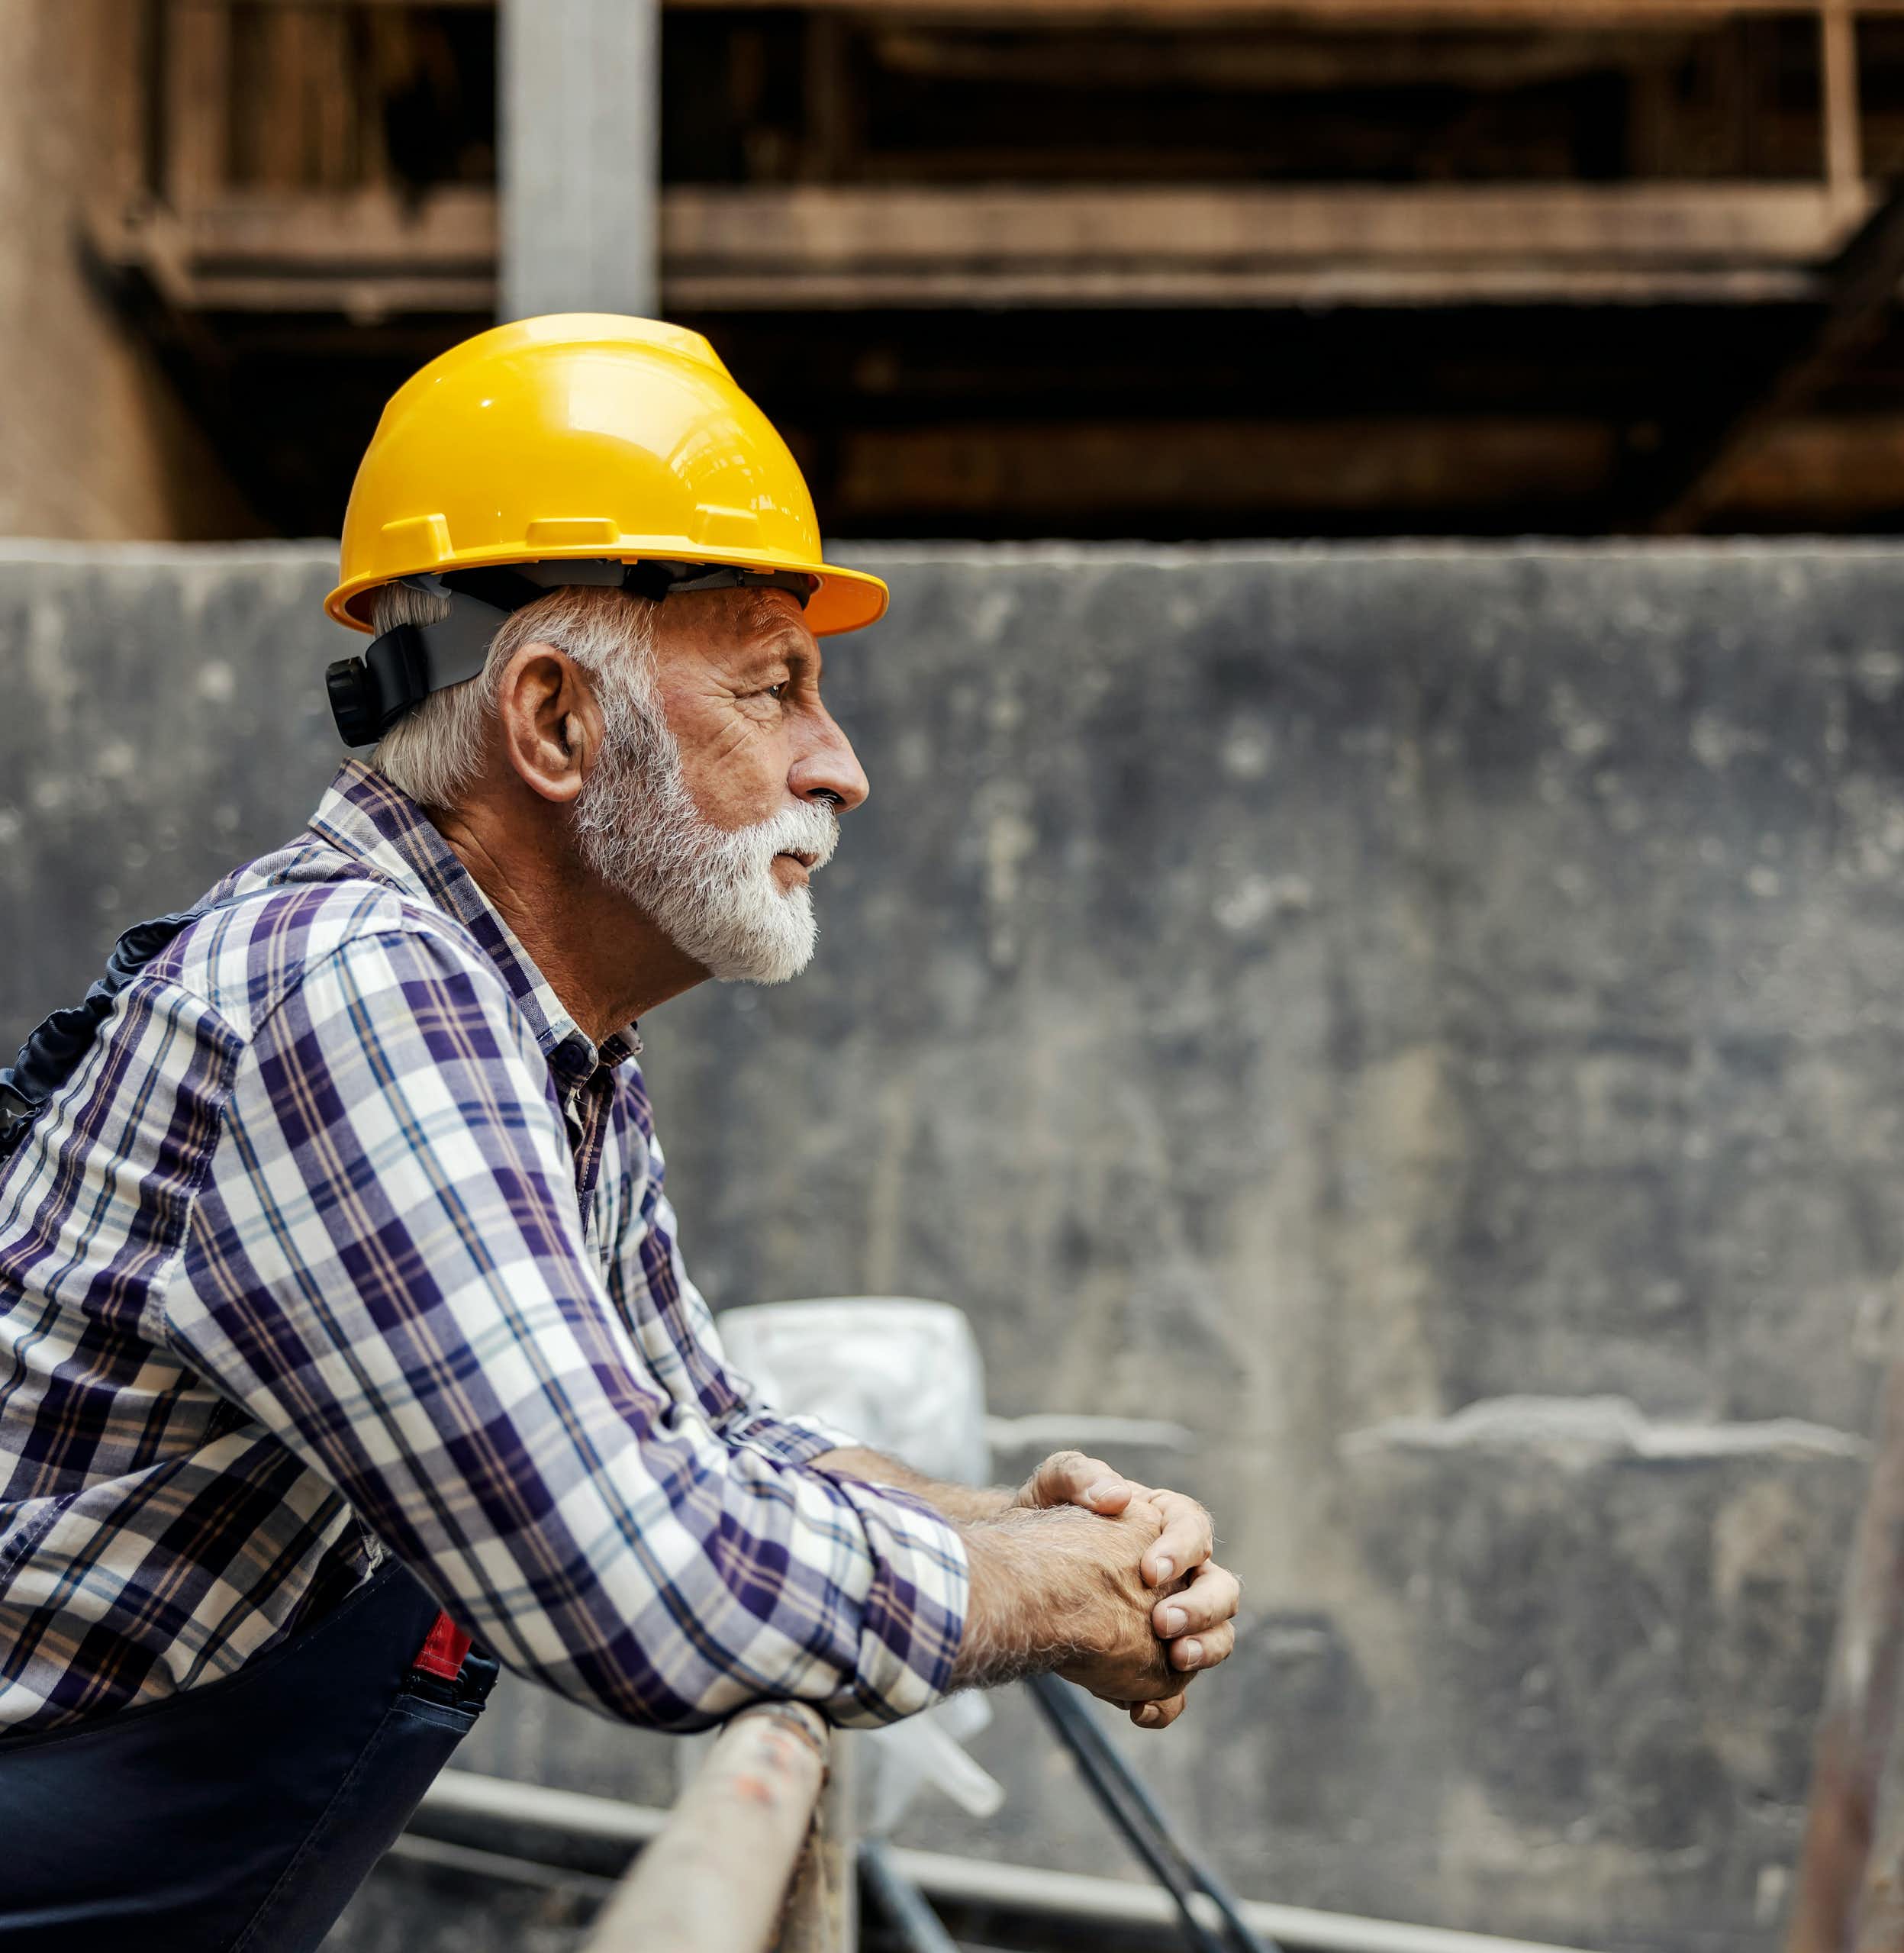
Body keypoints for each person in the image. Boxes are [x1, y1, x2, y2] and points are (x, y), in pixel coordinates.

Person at [0, 314, 1240, 1951]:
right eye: (773, 686)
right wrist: (1049, 1598)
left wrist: (1034, 1525)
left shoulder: (543, 1037)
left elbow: (702, 1439)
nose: (841, 767)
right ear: (555, 721)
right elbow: (643, 1575)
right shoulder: (360, 994)